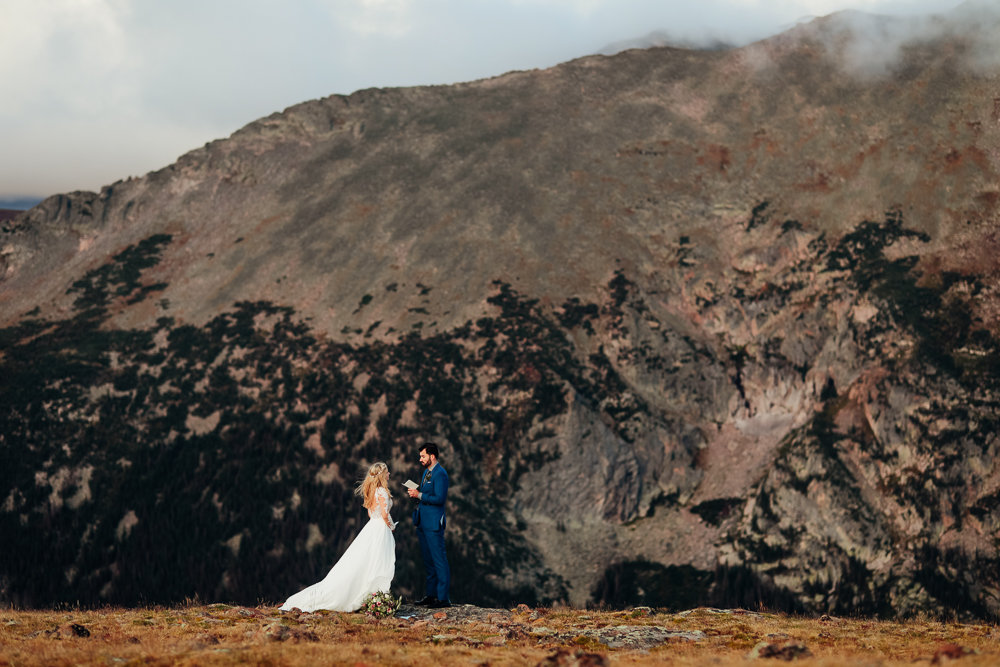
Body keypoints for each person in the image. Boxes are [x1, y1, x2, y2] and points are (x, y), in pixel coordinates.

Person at [280, 462, 397, 612]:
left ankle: (373, 597)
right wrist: (392, 527)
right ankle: (375, 597)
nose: (389, 475)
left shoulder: (372, 491)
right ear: (382, 475)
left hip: (371, 527)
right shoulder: (382, 492)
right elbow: (385, 515)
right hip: (380, 530)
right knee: (378, 562)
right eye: (387, 472)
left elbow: (370, 513)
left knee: (366, 562)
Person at [407, 442, 451, 608]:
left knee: (439, 560)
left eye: (423, 456)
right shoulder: (427, 472)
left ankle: (443, 598)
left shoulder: (441, 474)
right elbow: (427, 495)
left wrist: (421, 494)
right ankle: (431, 595)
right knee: (429, 561)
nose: (420, 459)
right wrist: (417, 496)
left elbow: (440, 499)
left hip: (433, 524)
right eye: (420, 456)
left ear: (432, 456)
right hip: (423, 522)